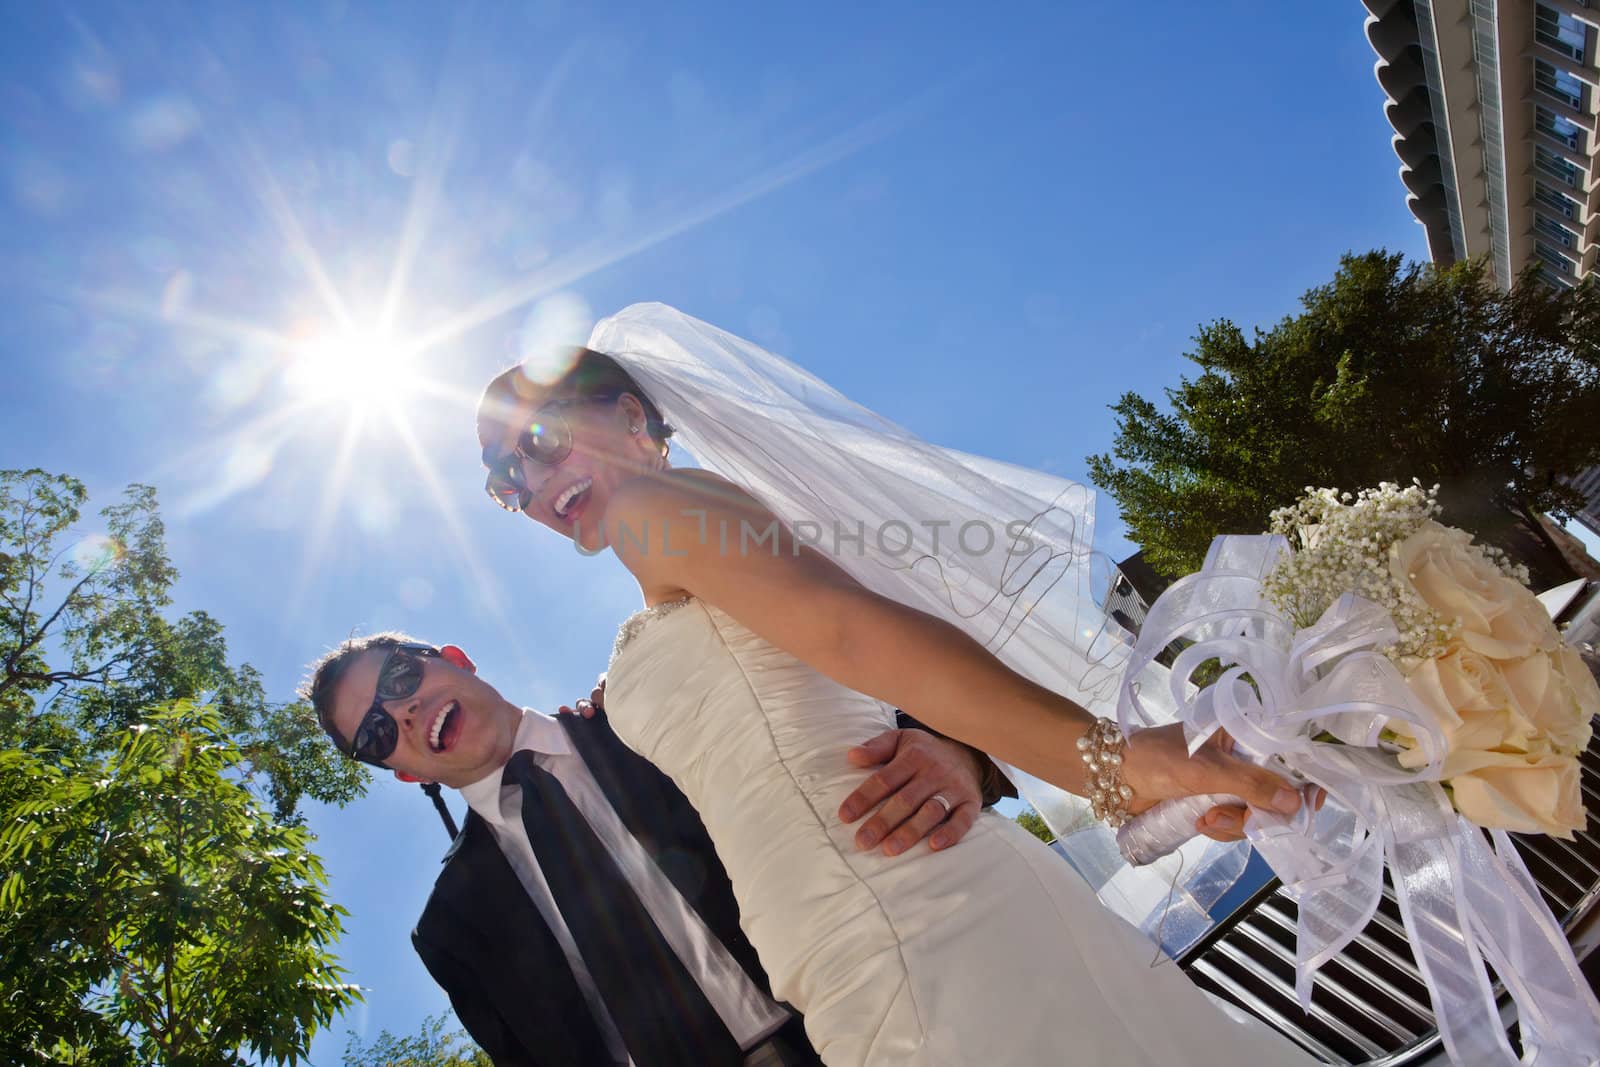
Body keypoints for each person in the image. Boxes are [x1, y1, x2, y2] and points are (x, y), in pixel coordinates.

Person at [473, 305, 1322, 1065]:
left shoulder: (651, 508)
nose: (536, 484)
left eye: (540, 440)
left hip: (911, 920)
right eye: (507, 479)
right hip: (850, 939)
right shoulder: (673, 551)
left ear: (627, 414)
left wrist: (1121, 765)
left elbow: (850, 630)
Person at [301, 632, 1013, 1066]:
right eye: (377, 732)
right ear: (400, 770)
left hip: (879, 1025)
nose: (404, 711)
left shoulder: (645, 719)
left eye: (401, 679)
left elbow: (822, 686)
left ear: (453, 658)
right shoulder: (450, 930)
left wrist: (955, 745)